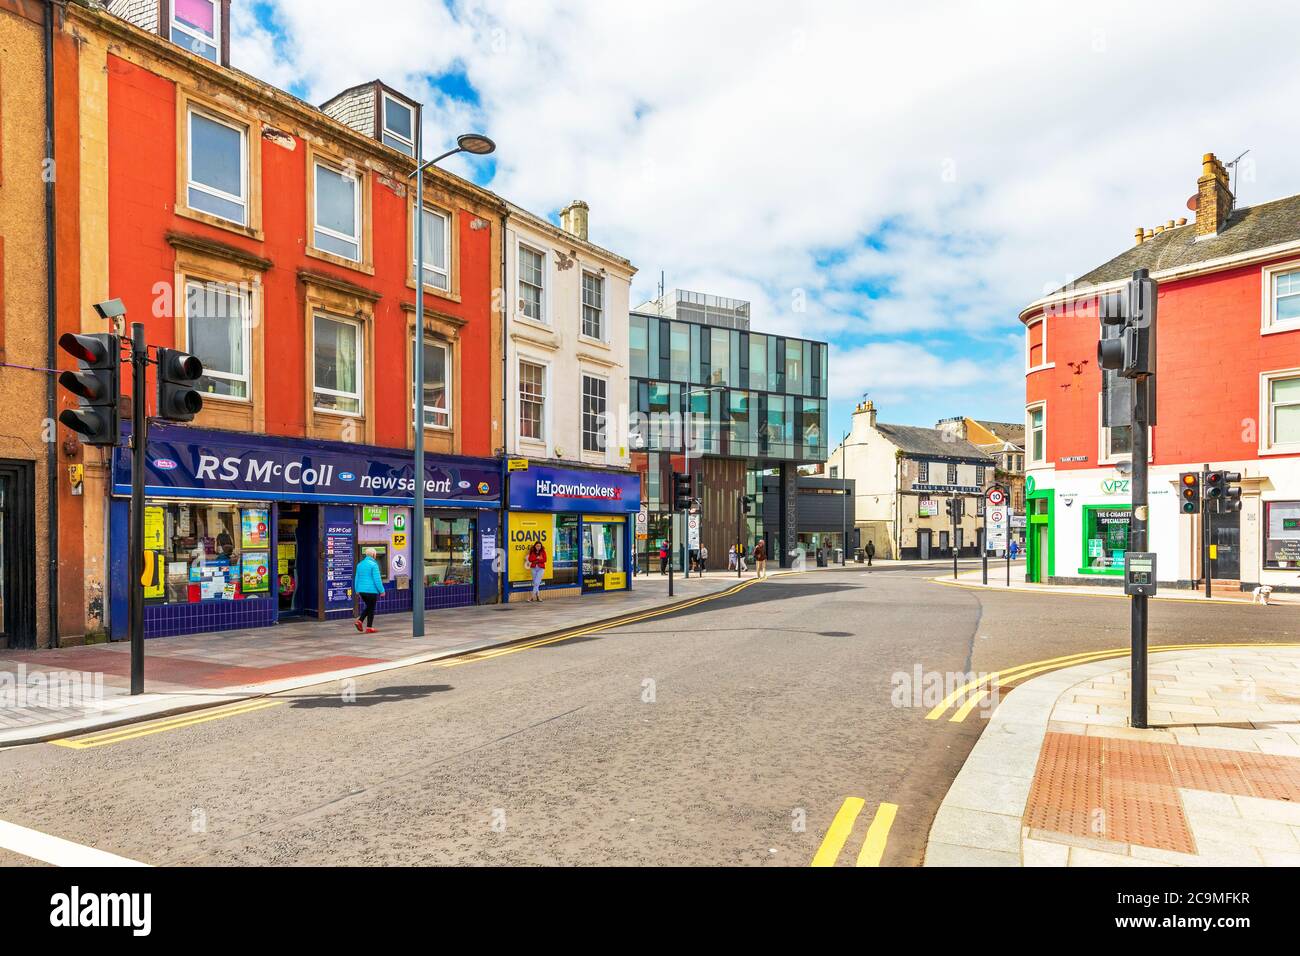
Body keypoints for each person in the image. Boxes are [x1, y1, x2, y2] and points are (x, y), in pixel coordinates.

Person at [353, 547, 384, 633]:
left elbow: (357, 578)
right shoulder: (374, 565)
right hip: (371, 591)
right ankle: (364, 624)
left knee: (369, 607)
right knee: (371, 608)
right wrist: (382, 591)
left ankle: (364, 624)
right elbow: (377, 579)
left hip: (362, 591)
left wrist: (357, 590)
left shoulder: (360, 564)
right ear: (374, 555)